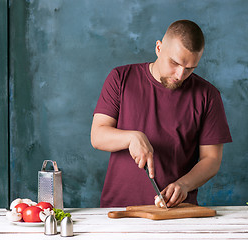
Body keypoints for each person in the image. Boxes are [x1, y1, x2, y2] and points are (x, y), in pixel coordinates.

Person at [91, 20, 232, 208]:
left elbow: (212, 159)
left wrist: (184, 184)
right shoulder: (120, 78)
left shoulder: (208, 96)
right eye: (174, 63)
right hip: (119, 208)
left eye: (190, 68)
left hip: (175, 211)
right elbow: (97, 136)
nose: (180, 75)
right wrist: (132, 137)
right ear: (158, 48)